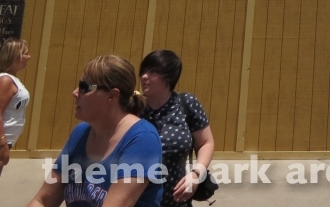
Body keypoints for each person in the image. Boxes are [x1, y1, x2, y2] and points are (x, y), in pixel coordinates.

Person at [26, 55, 163, 207]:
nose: (75, 92)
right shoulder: (80, 133)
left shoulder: (142, 139)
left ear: (112, 96)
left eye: (84, 87)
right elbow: (42, 201)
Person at [139, 50, 215, 207]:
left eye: (152, 71)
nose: (144, 76)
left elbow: (206, 142)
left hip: (177, 202)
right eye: (143, 71)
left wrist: (196, 175)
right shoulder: (133, 107)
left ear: (169, 76)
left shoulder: (186, 104)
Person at [0, 38, 31, 181]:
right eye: (25, 53)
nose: (29, 57)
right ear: (15, 57)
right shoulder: (5, 80)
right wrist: (2, 144)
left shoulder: (12, 79)